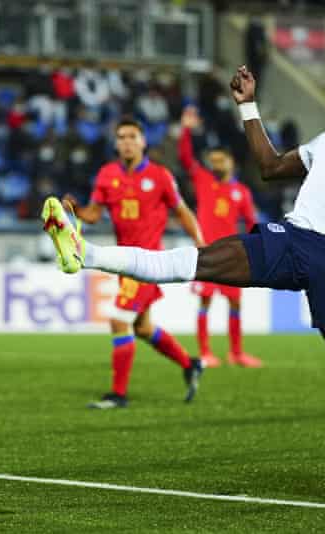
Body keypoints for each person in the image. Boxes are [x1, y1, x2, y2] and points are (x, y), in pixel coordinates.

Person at [42, 52, 325, 497]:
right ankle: (86, 253)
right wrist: (248, 106)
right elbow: (271, 167)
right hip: (292, 239)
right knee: (194, 261)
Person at [59, 117, 206, 409]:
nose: (127, 141)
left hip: (150, 263)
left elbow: (182, 211)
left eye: (132, 136)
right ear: (116, 143)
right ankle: (189, 364)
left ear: (143, 142)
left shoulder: (160, 176)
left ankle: (118, 395)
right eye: (122, 137)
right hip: (123, 262)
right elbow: (92, 215)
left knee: (118, 320)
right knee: (141, 327)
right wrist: (74, 210)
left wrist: (200, 243)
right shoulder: (106, 175)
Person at [178, 105, 260, 368]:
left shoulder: (242, 192)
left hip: (233, 254)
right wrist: (186, 132)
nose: (215, 164)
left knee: (236, 302)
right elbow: (185, 158)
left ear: (230, 162)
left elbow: (251, 223)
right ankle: (205, 352)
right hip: (207, 252)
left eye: (220, 160)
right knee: (205, 301)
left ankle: (236, 353)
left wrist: (252, 248)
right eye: (212, 161)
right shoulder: (203, 180)